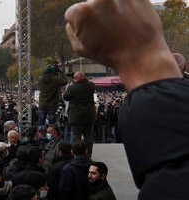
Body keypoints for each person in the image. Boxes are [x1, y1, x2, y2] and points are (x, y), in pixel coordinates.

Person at [64, 0, 187, 198]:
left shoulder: (77, 88)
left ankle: (77, 152)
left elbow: (173, 183)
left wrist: (142, 56)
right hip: (94, 116)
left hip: (83, 117)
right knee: (87, 136)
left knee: (76, 135)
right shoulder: (90, 86)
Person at [63, 71, 95, 156]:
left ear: (76, 79)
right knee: (88, 137)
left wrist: (73, 83)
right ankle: (88, 154)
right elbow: (88, 82)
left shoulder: (72, 88)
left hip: (76, 117)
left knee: (75, 137)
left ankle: (75, 154)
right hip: (89, 116)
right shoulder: (91, 86)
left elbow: (65, 97)